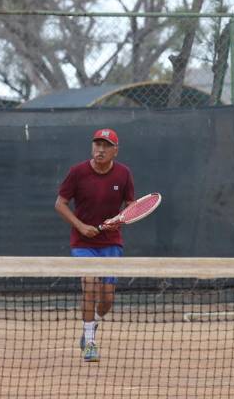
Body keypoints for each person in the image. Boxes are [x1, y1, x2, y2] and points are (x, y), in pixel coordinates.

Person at [54, 128, 135, 363]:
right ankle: (90, 342)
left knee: (107, 299)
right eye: (97, 145)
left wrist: (119, 219)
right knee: (89, 286)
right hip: (82, 243)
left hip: (111, 242)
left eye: (106, 146)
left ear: (115, 151)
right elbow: (60, 204)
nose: (100, 149)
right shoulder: (77, 172)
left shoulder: (124, 174)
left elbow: (132, 205)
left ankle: (93, 324)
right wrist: (80, 226)